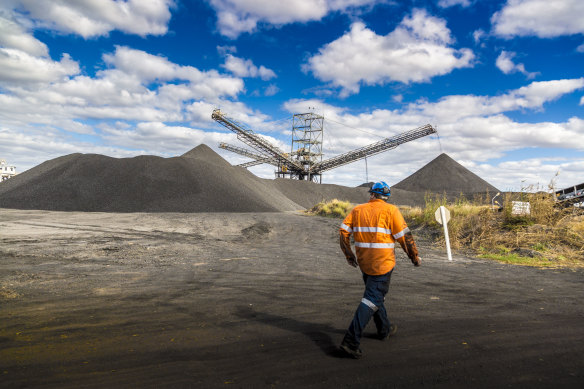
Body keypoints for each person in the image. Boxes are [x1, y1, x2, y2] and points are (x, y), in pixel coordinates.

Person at [339, 181, 421, 359]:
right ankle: (351, 341)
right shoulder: (391, 211)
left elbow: (343, 232)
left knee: (375, 295)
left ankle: (384, 329)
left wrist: (349, 254)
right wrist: (414, 257)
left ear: (372, 195)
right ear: (386, 197)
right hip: (383, 264)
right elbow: (404, 237)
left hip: (364, 263)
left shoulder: (357, 210)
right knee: (371, 299)